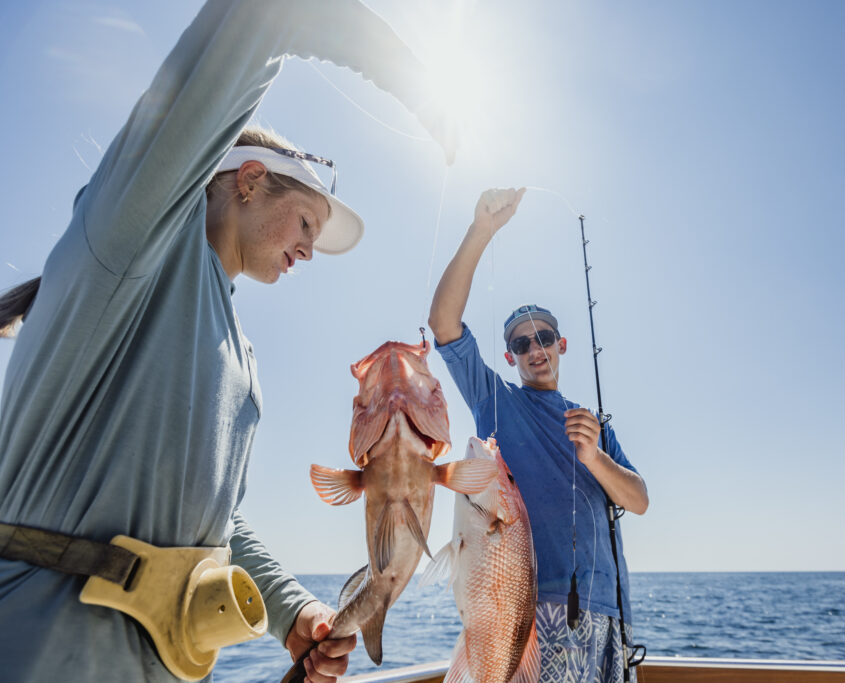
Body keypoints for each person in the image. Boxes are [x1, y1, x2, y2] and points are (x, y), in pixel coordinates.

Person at [0, 1, 456, 681]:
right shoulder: (137, 233)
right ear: (247, 182)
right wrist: (416, 82)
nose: (310, 248)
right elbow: (264, 12)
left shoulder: (238, 356)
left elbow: (219, 525)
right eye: (306, 221)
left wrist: (291, 610)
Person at [428, 188, 649, 683]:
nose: (535, 349)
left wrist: (595, 457)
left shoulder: (594, 424)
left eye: (544, 337)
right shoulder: (496, 402)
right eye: (521, 343)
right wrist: (481, 230)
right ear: (510, 356)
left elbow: (638, 500)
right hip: (533, 606)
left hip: (611, 616)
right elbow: (443, 323)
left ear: (562, 344)